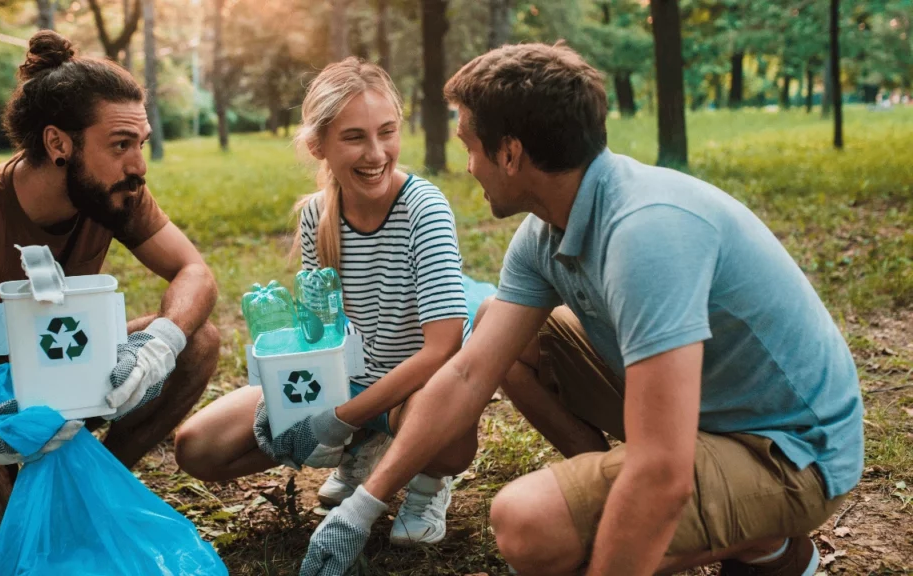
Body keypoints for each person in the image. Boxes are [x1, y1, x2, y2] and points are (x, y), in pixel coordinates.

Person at [299, 43, 864, 576]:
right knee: (509, 330)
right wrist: (365, 504)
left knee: (528, 524)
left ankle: (767, 541)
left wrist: (622, 504)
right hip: (705, 418)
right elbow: (471, 371)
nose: (468, 165)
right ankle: (615, 496)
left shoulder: (645, 234)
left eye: (470, 145)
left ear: (511, 153)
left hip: (789, 454)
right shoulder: (544, 230)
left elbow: (662, 469)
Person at [0, 31, 220, 575]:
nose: (139, 165)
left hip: (66, 381)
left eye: (141, 142)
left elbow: (194, 272)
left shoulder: (115, 192)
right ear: (58, 143)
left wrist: (159, 343)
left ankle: (87, 493)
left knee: (196, 339)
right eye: (121, 144)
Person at [174, 57, 477, 547]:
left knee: (453, 431)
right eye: (354, 137)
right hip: (349, 385)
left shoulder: (425, 207)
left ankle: (426, 480)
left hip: (414, 390)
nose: (377, 153)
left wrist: (338, 419)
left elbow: (441, 350)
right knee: (198, 447)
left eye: (387, 132)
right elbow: (322, 334)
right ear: (318, 145)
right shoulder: (318, 215)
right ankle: (367, 446)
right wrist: (298, 402)